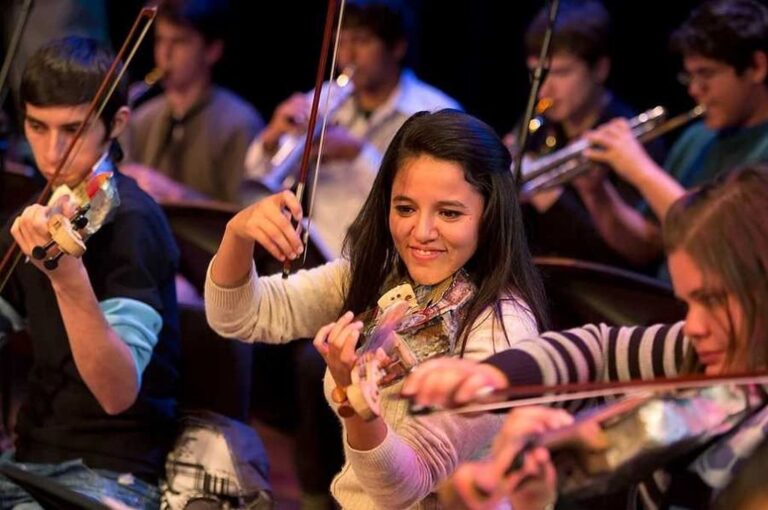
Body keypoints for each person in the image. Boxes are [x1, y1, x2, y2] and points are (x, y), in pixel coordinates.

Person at [205, 108, 548, 509]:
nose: (420, 232)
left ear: (490, 216)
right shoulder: (378, 277)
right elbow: (238, 316)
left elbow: (405, 486)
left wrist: (355, 405)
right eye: (405, 208)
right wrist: (238, 233)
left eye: (449, 213)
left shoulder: (503, 327)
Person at [403, 164, 768, 509]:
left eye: (713, 300)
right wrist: (495, 375)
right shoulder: (701, 354)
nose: (694, 326)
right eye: (688, 303)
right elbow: (599, 353)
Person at [0, 37, 180, 509]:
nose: (52, 150)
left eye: (73, 130)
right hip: (26, 458)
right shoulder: (37, 216)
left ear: (116, 124)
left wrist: (65, 276)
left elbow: (117, 392)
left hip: (110, 471)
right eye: (37, 126)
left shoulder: (132, 221)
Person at [243, 0, 461, 261]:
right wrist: (272, 139)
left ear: (397, 46)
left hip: (396, 259)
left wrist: (358, 154)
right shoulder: (323, 98)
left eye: (362, 41)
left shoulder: (437, 111)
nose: (348, 55)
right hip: (317, 255)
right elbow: (259, 180)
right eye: (341, 42)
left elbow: (434, 198)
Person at [581, 0, 768, 269]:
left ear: (757, 67)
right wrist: (597, 194)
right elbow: (647, 244)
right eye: (690, 76)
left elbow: (725, 242)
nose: (694, 90)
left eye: (706, 74)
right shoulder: (695, 138)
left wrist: (639, 169)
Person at [510, 0, 666, 271]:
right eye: (536, 74)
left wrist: (552, 198)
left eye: (561, 72)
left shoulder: (633, 139)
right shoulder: (537, 125)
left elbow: (635, 256)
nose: (545, 89)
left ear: (600, 69)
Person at [126, 0, 264, 204]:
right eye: (160, 40)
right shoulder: (143, 117)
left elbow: (247, 212)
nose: (165, 54)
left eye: (179, 42)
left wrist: (177, 195)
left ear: (212, 51)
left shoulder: (239, 123)